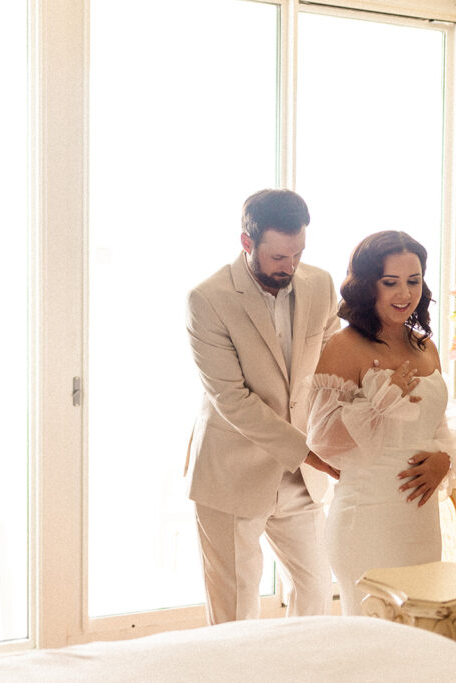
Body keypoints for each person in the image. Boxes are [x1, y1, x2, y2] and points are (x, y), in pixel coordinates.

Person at [185, 188, 340, 624]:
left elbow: (330, 372)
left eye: (297, 254)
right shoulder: (207, 300)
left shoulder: (321, 285)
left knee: (315, 590)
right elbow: (232, 399)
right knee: (236, 614)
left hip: (302, 480)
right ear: (247, 242)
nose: (289, 268)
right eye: (277, 258)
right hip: (232, 473)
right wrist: (308, 450)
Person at [305, 230, 456, 616]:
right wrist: (382, 398)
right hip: (367, 519)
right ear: (367, 285)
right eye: (390, 282)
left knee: (416, 635)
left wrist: (444, 459)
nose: (404, 294)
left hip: (420, 520)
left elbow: (436, 427)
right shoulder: (344, 347)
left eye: (413, 281)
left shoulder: (425, 346)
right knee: (370, 638)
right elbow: (322, 438)